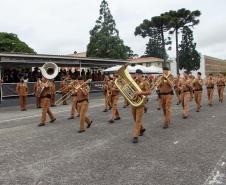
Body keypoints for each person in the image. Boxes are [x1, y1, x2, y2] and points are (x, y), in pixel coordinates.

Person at [131, 69, 151, 143]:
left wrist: (140, 93)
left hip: (141, 103)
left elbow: (149, 92)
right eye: (135, 74)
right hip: (134, 102)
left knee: (138, 120)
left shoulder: (145, 82)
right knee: (135, 118)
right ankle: (141, 128)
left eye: (137, 74)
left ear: (140, 74)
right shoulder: (134, 82)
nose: (136, 76)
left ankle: (135, 136)